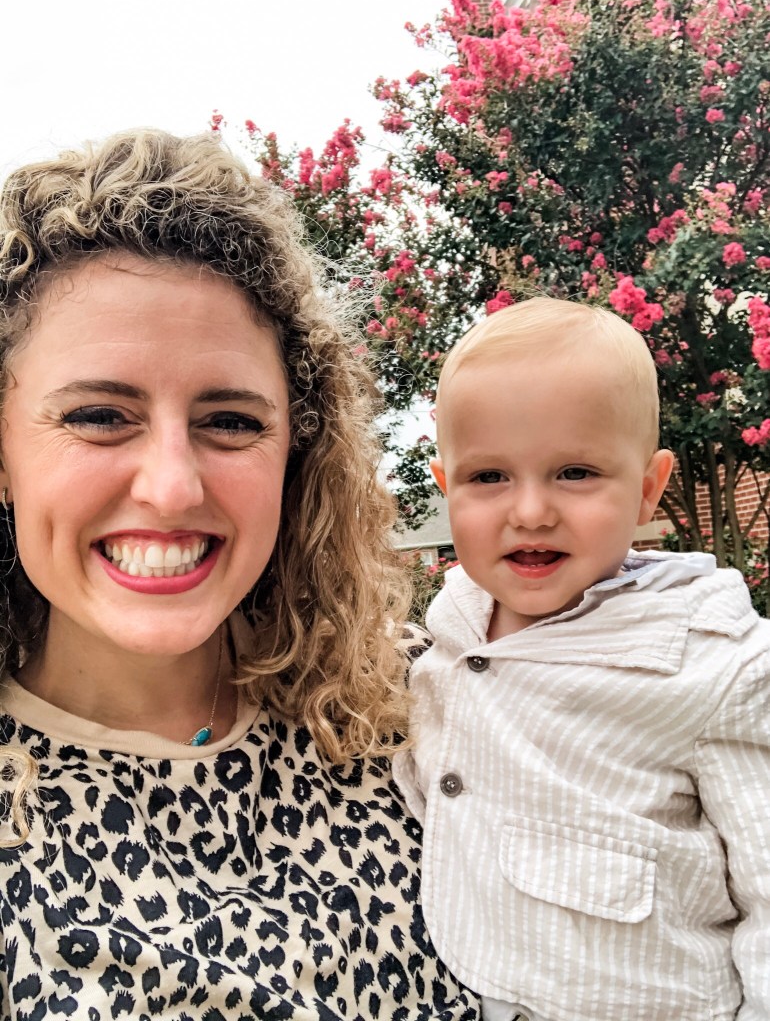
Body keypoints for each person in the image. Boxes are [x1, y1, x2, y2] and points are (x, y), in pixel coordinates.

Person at [0, 129, 481, 1020]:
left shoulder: (429, 707)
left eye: (229, 422)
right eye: (99, 415)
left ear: (297, 451)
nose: (173, 487)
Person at [393, 296, 770, 1021]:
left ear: (647, 489)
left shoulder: (713, 662)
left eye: (574, 472)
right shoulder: (452, 627)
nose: (531, 511)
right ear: (447, 489)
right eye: (488, 477)